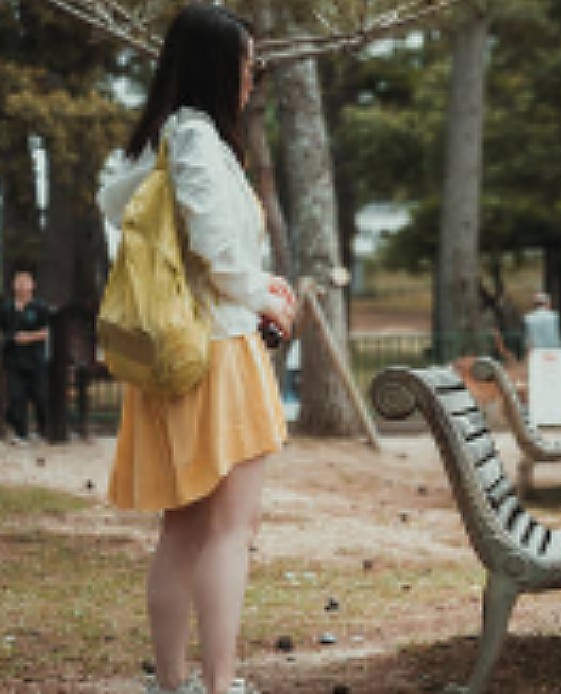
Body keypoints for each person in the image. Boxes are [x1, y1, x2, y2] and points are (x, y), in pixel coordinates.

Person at [95, 6, 297, 694]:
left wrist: (250, 281)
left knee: (180, 532)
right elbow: (214, 246)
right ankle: (219, 684)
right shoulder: (199, 140)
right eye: (247, 65)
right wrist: (264, 297)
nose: (251, 78)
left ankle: (172, 683)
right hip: (219, 356)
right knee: (229, 531)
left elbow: (132, 222)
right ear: (219, 68)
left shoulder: (149, 143)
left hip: (170, 359)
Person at [0, 267, 50, 444]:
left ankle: (43, 430)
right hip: (14, 360)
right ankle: (20, 432)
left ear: (33, 285)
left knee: (40, 395)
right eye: (18, 281)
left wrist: (29, 337)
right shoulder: (6, 308)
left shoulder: (40, 308)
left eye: (25, 281)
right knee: (16, 396)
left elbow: (46, 332)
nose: (21, 285)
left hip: (35, 359)